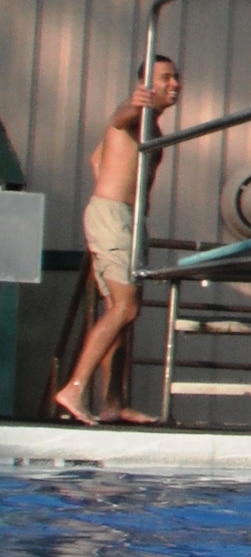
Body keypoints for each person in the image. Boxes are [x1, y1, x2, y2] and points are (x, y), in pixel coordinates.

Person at [52, 55, 181, 425]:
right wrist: (110, 204)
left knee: (124, 313)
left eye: (176, 77)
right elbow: (119, 118)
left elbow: (97, 157)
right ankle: (73, 388)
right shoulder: (136, 115)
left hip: (128, 219)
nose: (175, 84)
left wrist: (115, 189)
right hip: (113, 217)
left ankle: (113, 402)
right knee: (124, 307)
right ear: (147, 85)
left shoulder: (153, 126)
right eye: (166, 78)